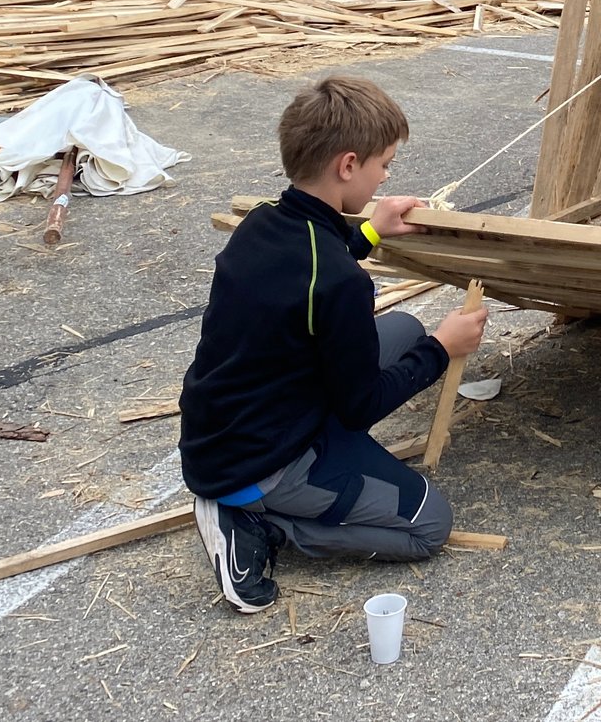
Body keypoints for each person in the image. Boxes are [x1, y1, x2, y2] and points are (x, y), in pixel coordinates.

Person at [179, 75, 488, 613]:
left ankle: (262, 494)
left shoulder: (260, 222)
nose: (386, 176)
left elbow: (313, 263)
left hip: (222, 427)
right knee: (430, 527)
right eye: (384, 164)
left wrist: (369, 231)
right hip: (262, 460)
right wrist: (443, 347)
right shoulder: (341, 283)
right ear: (348, 165)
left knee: (403, 329)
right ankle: (260, 523)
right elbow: (359, 405)